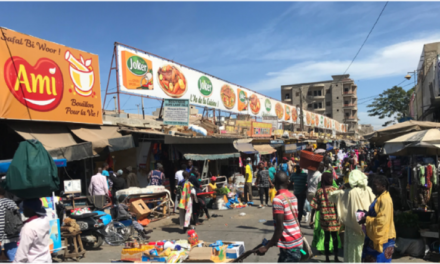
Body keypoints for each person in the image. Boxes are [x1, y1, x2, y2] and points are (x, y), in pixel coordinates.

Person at [329, 170, 376, 263]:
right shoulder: (369, 190)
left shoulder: (348, 192)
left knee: (352, 249)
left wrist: (342, 187)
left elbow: (332, 196)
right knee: (364, 248)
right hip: (367, 225)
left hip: (352, 227)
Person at [256, 171, 303, 262]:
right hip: (296, 242)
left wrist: (267, 247)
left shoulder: (278, 200)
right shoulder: (293, 196)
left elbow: (280, 227)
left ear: (275, 183)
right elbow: (292, 220)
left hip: (289, 246)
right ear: (287, 183)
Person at [359, 175, 396, 263]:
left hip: (383, 238)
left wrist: (366, 219)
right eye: (372, 186)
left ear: (383, 186)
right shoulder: (379, 197)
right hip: (375, 236)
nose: (372, 188)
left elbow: (382, 220)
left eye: (375, 186)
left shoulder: (385, 199)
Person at [310, 172, 341, 262]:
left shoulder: (319, 191)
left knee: (326, 238)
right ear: (331, 179)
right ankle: (336, 257)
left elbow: (315, 206)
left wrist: (312, 219)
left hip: (324, 219)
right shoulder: (335, 190)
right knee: (335, 237)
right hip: (335, 218)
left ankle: (327, 258)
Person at [14, 199, 51, 263]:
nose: (23, 210)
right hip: (46, 259)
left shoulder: (28, 227)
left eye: (25, 208)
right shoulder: (45, 220)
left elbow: (21, 253)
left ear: (31, 209)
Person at [0, 187, 20, 261]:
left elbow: (1, 221)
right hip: (13, 232)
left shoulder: (0, 203)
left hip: (3, 235)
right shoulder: (11, 202)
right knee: (15, 258)